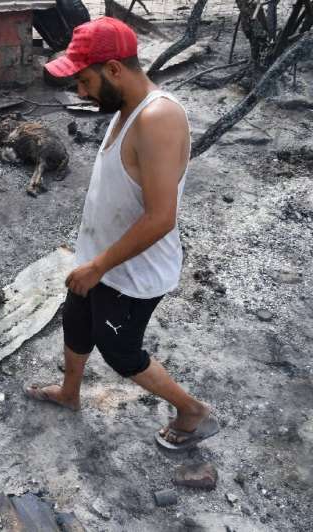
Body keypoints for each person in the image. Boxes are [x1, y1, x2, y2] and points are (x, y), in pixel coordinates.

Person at [25, 17, 219, 450]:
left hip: (133, 272)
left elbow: (161, 217)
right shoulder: (125, 109)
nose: (80, 92)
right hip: (101, 259)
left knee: (120, 351)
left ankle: (192, 411)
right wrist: (91, 259)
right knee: (75, 323)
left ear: (114, 69)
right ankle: (69, 394)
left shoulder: (159, 117)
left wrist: (98, 265)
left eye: (85, 80)